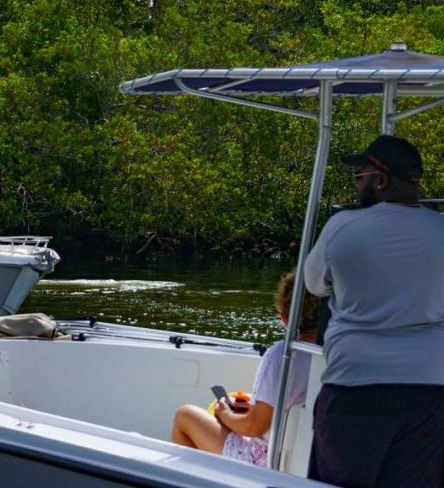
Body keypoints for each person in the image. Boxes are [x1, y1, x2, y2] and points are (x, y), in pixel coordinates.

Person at [304, 134, 444, 487]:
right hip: (430, 390)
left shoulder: (342, 227)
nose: (358, 185)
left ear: (380, 181)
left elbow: (314, 284)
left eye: (360, 177)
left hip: (355, 386)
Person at [171, 271, 320, 466]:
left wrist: (226, 414)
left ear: (284, 317)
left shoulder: (282, 355)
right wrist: (255, 408)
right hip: (305, 459)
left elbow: (254, 427)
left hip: (264, 458)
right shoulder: (331, 355)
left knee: (185, 416)